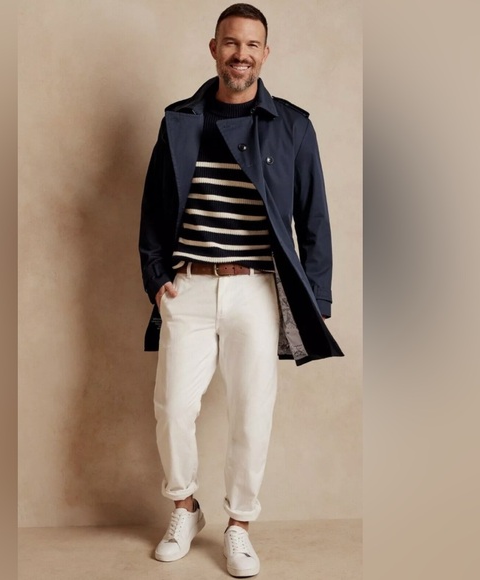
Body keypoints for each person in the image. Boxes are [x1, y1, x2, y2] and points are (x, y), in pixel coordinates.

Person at [139, 3, 343, 577]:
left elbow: (314, 217)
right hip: (189, 288)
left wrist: (316, 300)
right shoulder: (179, 120)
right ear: (214, 49)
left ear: (265, 54)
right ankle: (185, 508)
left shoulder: (293, 124)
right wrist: (157, 279)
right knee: (172, 409)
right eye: (231, 43)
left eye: (252, 45)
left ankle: (239, 525)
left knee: (252, 414)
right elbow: (153, 210)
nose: (241, 54)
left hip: (256, 290)